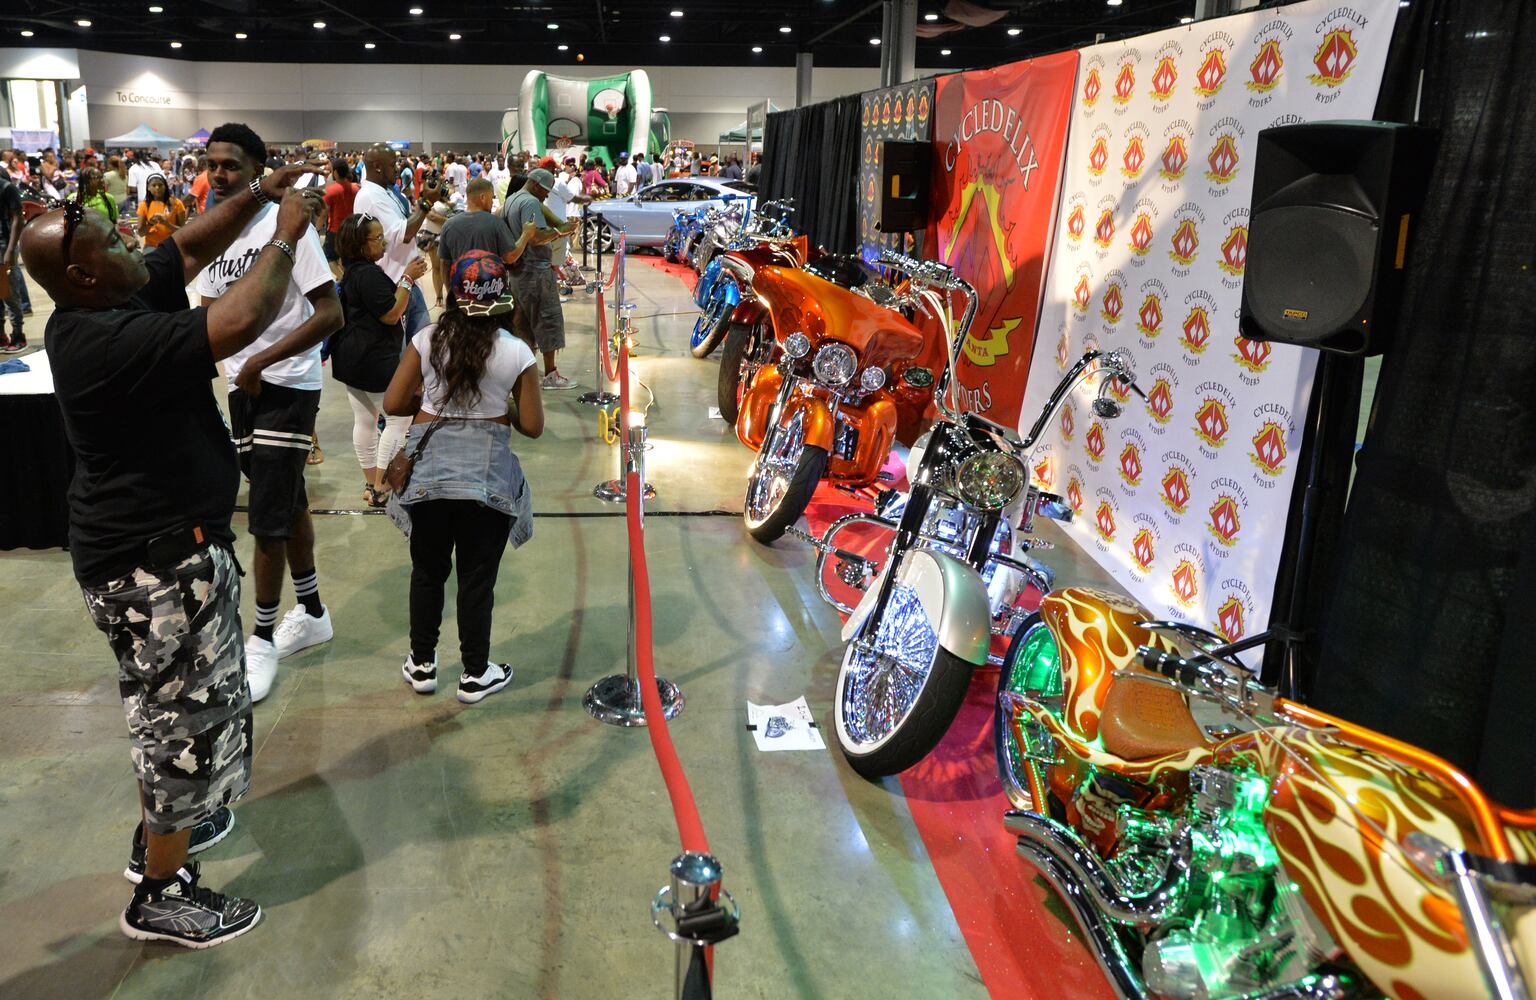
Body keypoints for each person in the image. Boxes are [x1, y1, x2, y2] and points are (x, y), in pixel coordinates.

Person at [26, 157, 319, 947]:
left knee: (179, 718)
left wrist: (257, 196)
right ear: (83, 274)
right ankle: (159, 892)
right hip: (151, 571)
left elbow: (186, 248)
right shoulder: (101, 339)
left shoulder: (114, 292)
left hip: (165, 557)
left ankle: (165, 834)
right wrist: (286, 235)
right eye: (116, 239)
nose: (138, 240)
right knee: (180, 733)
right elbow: (237, 321)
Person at [196, 123, 343, 703]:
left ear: (258, 169)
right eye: (212, 164)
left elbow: (330, 314)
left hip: (286, 383)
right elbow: (210, 312)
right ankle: (312, 612)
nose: (219, 174)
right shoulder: (216, 230)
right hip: (244, 387)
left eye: (231, 164)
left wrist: (261, 360)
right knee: (286, 500)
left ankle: (260, 638)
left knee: (265, 519)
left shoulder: (287, 226)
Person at [382, 250, 542, 704]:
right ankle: (474, 673)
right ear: (502, 296)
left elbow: (393, 403)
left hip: (429, 475)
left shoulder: (427, 339)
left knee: (427, 571)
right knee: (476, 579)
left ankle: (422, 664)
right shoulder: (516, 352)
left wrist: (429, 400)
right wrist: (501, 403)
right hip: (486, 480)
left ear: (454, 293)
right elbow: (532, 426)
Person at [332, 212, 428, 506]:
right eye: (378, 238)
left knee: (365, 420)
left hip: (351, 360)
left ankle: (372, 483)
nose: (384, 242)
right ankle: (381, 487)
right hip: (374, 360)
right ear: (361, 244)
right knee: (399, 418)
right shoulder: (368, 275)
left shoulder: (352, 271)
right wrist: (408, 278)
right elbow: (391, 314)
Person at [502, 167, 577, 389]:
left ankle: (520, 373)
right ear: (535, 185)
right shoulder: (530, 202)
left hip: (518, 273)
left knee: (522, 325)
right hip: (536, 272)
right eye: (545, 190)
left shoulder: (511, 200)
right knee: (547, 320)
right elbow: (536, 237)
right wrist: (560, 232)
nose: (546, 195)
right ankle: (551, 374)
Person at [356, 143, 439, 338]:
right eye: (393, 165)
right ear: (378, 166)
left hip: (406, 280)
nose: (398, 169)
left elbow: (404, 226)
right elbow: (404, 234)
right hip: (394, 284)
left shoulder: (385, 191)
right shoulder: (371, 197)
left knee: (421, 345)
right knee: (410, 349)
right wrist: (427, 202)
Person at [438, 177, 540, 273]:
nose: (492, 202)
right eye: (491, 198)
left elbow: (444, 264)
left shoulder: (449, 224)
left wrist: (449, 286)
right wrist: (526, 234)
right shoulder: (496, 223)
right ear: (482, 197)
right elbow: (510, 257)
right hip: (490, 283)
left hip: (460, 284)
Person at [322, 158, 359, 278]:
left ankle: (344, 279)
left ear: (336, 172)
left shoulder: (330, 191)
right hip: (352, 230)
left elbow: (324, 213)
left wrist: (317, 228)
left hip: (335, 230)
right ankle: (347, 278)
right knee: (347, 259)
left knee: (329, 258)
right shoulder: (356, 188)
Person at [0, 166, 23, 352]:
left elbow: (18, 218)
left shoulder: (7, 187)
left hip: (4, 245)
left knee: (9, 295)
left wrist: (10, 249)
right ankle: (1, 336)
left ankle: (18, 336)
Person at [137, 173, 188, 248]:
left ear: (165, 187)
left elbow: (183, 232)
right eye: (154, 185)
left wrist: (167, 224)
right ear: (148, 188)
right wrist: (150, 224)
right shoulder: (144, 205)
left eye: (160, 185)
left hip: (172, 245)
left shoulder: (176, 203)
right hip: (152, 245)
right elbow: (141, 233)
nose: (157, 188)